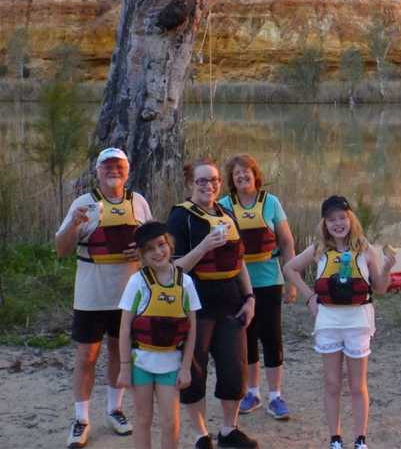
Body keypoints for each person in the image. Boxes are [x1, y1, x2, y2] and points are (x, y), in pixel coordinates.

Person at [55, 147, 153, 448]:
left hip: (128, 295)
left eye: (118, 166)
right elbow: (61, 249)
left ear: (128, 169)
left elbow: (155, 245)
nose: (113, 170)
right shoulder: (83, 204)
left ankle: (114, 410)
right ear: (97, 171)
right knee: (87, 357)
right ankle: (81, 419)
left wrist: (142, 250)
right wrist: (73, 224)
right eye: (107, 166)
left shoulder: (138, 202)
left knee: (118, 352)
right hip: (91, 295)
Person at [283, 195, 397, 449]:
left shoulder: (365, 249)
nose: (338, 223)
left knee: (358, 385)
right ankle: (335, 438)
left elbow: (379, 288)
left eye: (342, 217)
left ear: (350, 219)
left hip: (358, 322)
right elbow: (289, 268)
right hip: (329, 323)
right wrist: (310, 297)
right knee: (332, 383)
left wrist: (387, 268)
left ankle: (360, 439)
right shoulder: (318, 249)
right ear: (325, 223)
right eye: (331, 219)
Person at [168, 159, 258, 449]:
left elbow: (239, 261)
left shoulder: (227, 212)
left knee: (234, 368)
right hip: (197, 304)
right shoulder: (180, 218)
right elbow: (174, 269)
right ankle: (200, 434)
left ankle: (229, 430)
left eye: (215, 180)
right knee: (194, 369)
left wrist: (250, 297)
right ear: (190, 183)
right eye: (202, 181)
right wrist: (204, 246)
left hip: (231, 301)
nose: (209, 186)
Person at [218, 154, 296, 420]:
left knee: (271, 337)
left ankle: (276, 395)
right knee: (246, 338)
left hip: (269, 279)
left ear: (255, 175)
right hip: (238, 283)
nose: (242, 177)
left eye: (246, 172)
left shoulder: (271, 203)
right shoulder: (223, 205)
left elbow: (286, 242)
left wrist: (292, 281)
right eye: (236, 174)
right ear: (231, 179)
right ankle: (253, 392)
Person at [117, 221, 201, 449]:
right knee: (143, 418)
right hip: (141, 363)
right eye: (149, 249)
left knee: (170, 422)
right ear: (142, 255)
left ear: (170, 245)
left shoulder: (186, 282)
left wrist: (185, 367)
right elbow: (124, 328)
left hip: (171, 364)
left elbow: (192, 329)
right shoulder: (137, 282)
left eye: (161, 245)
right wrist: (125, 367)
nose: (157, 252)